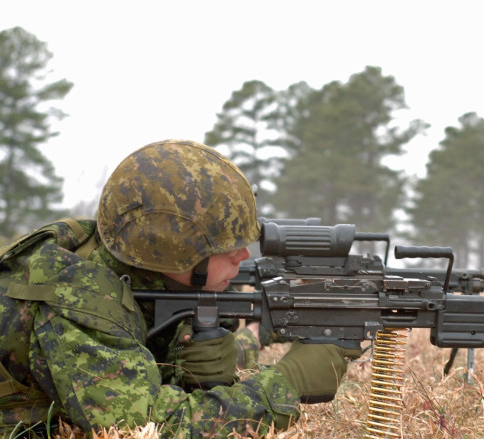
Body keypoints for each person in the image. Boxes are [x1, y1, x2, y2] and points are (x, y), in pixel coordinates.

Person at [0, 139, 362, 437]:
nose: (241, 256)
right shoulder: (79, 297)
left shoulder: (127, 261)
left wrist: (182, 365)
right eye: (225, 247)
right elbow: (149, 429)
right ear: (172, 252)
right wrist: (287, 384)